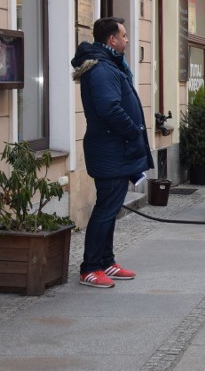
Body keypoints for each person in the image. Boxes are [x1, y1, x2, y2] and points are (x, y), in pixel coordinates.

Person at [71, 17, 154, 288]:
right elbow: (109, 109)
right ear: (112, 40)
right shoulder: (103, 69)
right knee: (106, 209)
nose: (128, 40)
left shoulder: (109, 65)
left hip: (114, 149)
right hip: (110, 149)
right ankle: (90, 268)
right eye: (124, 36)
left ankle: (106, 261)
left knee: (111, 206)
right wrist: (133, 131)